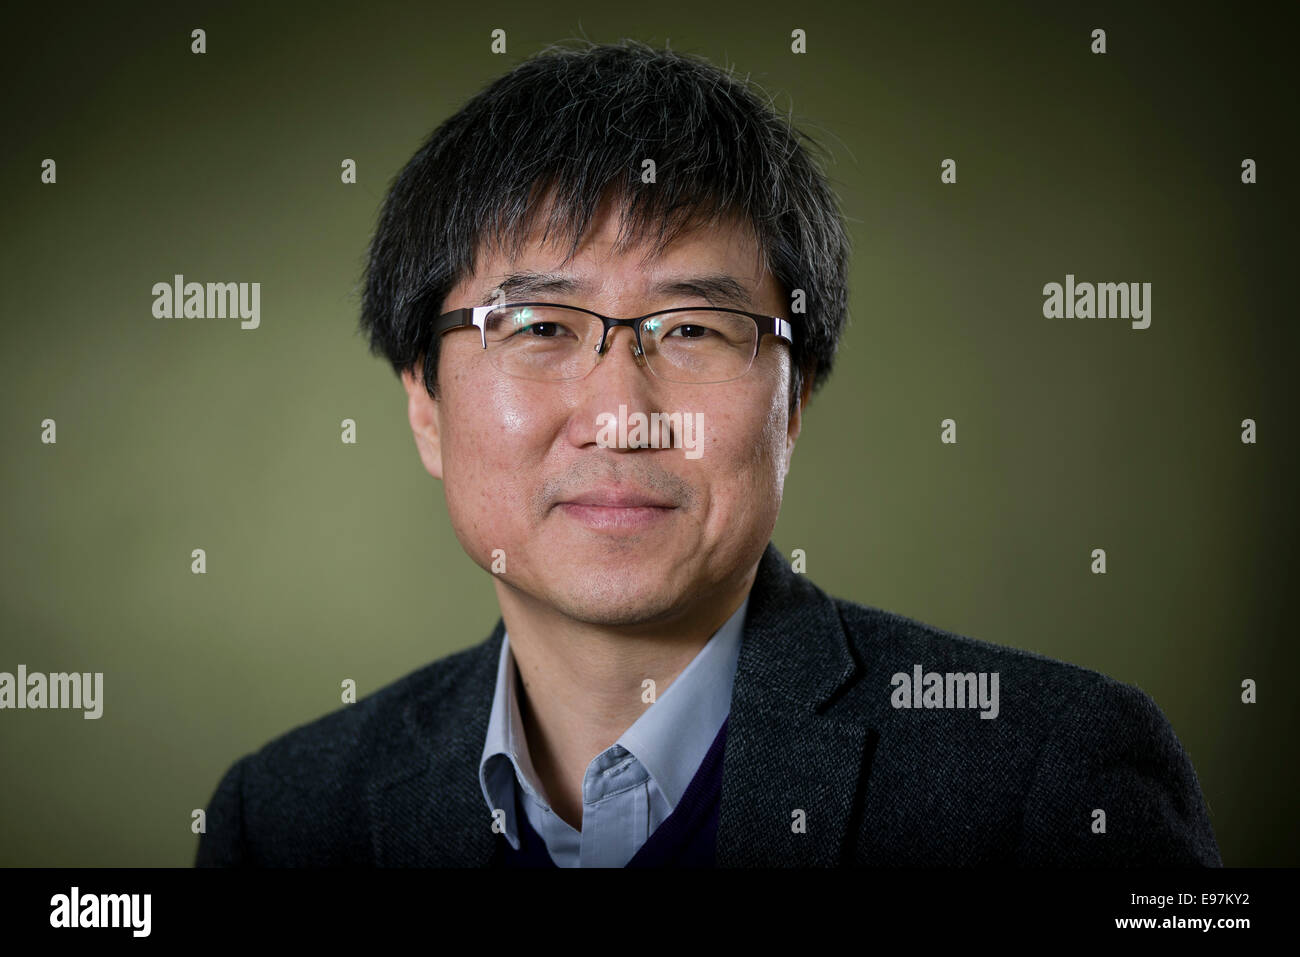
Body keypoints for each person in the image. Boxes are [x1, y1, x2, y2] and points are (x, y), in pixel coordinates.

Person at [195, 39, 1220, 867]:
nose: (621, 414)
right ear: (424, 403)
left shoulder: (1049, 777)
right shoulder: (286, 815)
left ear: (795, 399)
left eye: (691, 330)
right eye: (540, 328)